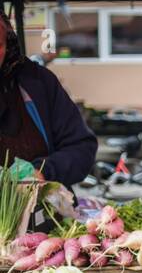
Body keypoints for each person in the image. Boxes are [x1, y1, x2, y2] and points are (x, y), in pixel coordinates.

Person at [0, 10, 95, 185]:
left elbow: (81, 147)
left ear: (8, 45)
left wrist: (43, 172)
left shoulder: (37, 83)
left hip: (43, 209)